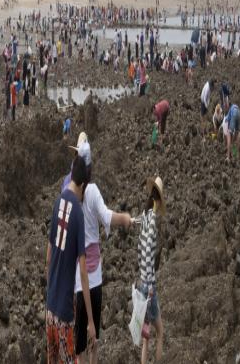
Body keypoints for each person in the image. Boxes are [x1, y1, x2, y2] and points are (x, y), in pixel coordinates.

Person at [74, 167, 134, 364]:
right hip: (92, 275)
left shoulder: (70, 191)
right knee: (92, 336)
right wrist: (125, 218)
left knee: (80, 340)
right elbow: (107, 216)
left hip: (78, 276)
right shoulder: (91, 191)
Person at [46, 156, 95, 363]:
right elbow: (83, 272)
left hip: (50, 309)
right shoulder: (78, 213)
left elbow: (48, 256)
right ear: (83, 185)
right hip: (65, 314)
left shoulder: (58, 202)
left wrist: (50, 292)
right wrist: (91, 320)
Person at [136, 176, 166, 364]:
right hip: (149, 286)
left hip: (141, 284)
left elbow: (140, 250)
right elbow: (147, 253)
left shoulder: (145, 216)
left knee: (146, 337)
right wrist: (150, 284)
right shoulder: (153, 219)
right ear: (159, 199)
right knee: (160, 332)